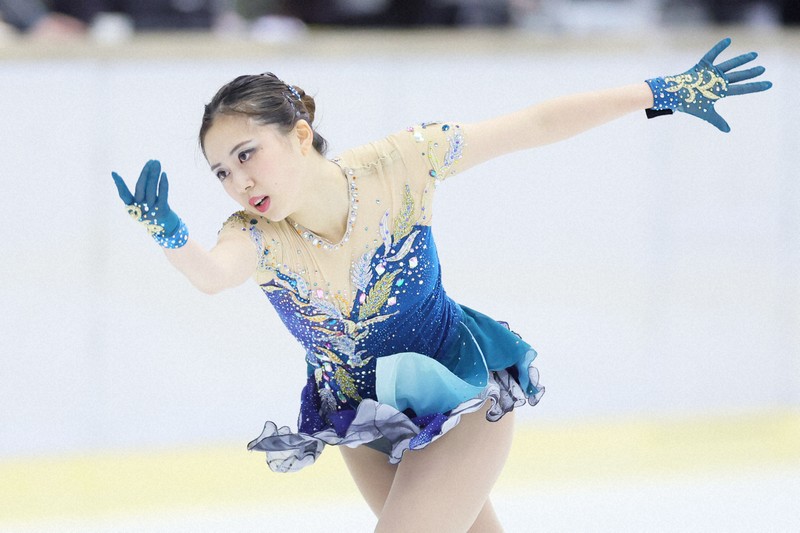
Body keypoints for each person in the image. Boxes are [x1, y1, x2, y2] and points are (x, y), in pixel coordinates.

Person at [112, 38, 771, 531]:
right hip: (362, 422)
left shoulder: (400, 163)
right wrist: (168, 233)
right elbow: (212, 274)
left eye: (246, 154)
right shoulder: (255, 235)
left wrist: (656, 92)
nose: (239, 182)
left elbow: (534, 124)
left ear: (300, 135)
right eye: (221, 173)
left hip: (460, 395)